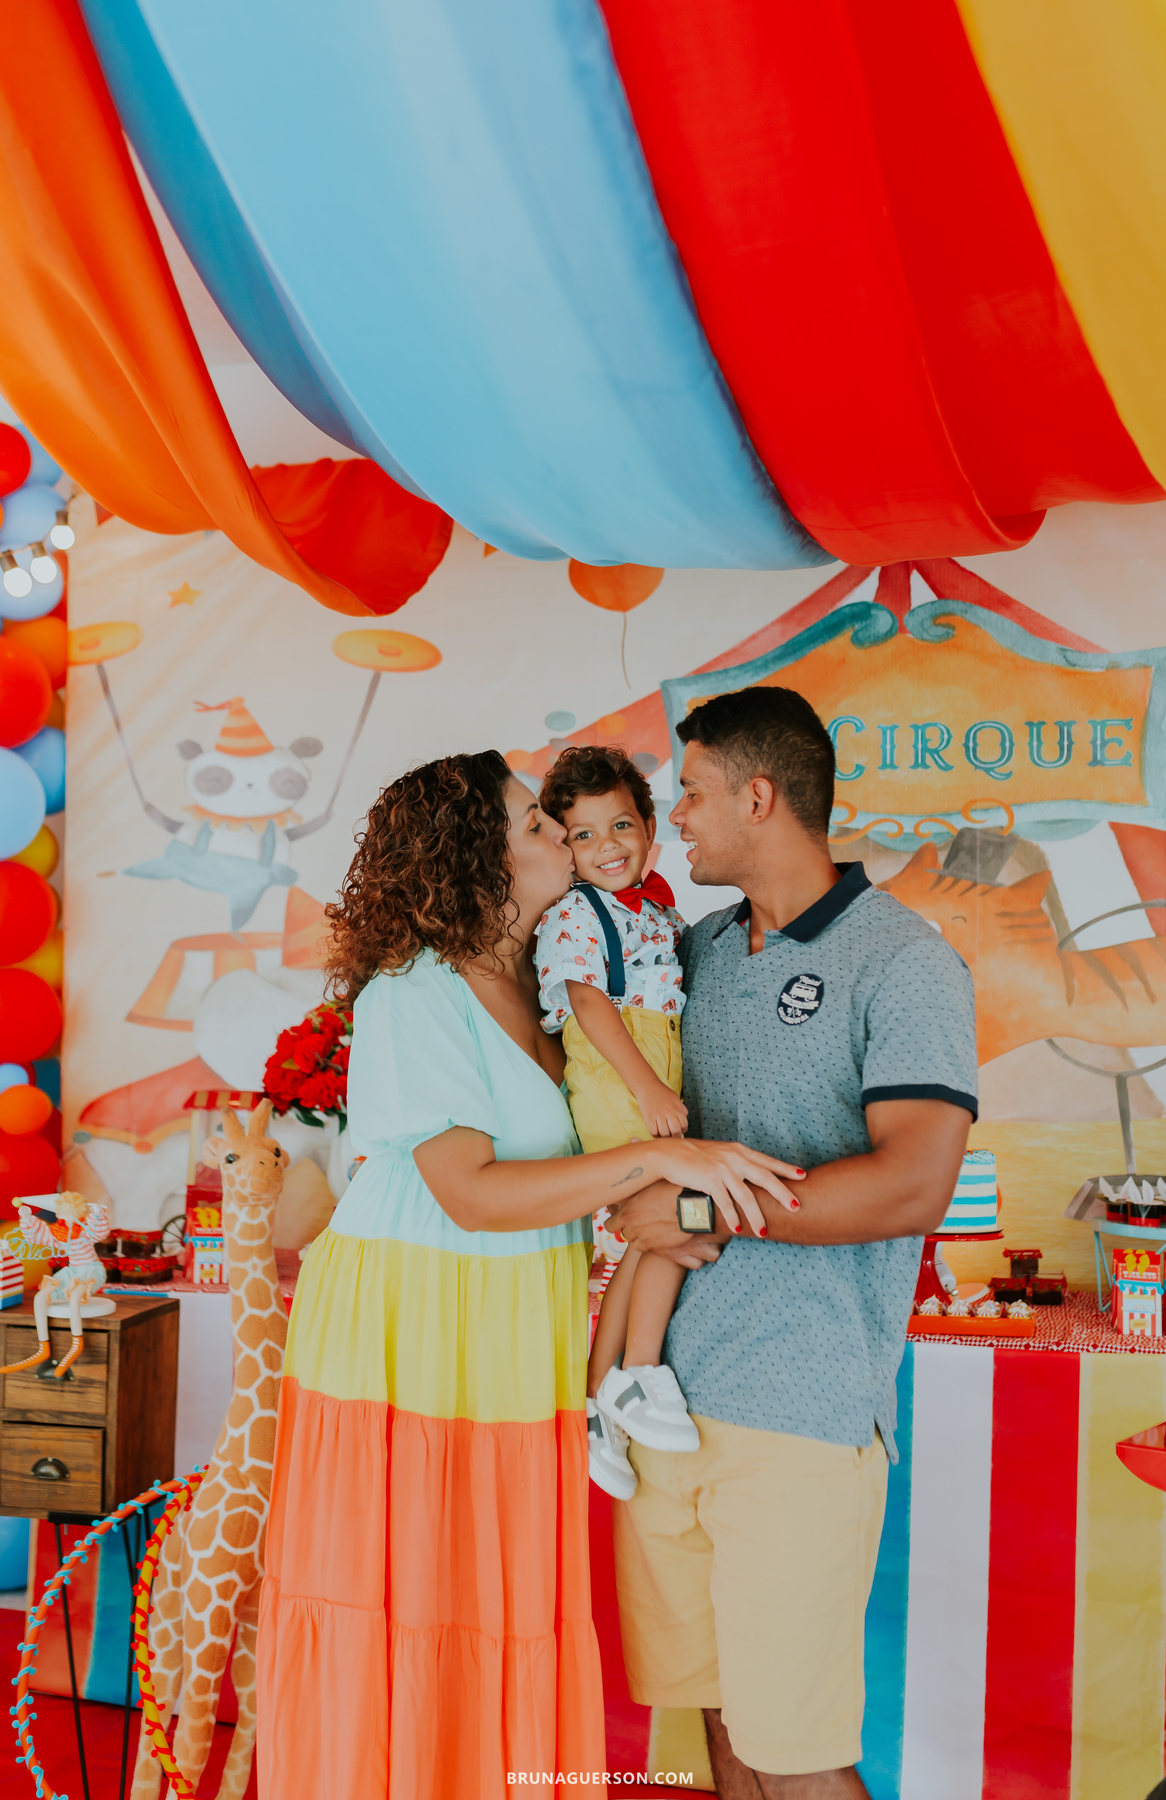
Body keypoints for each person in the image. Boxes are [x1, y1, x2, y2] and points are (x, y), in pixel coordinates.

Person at [256, 749, 801, 1800]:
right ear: (479, 857)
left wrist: (653, 1208)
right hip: (416, 1325)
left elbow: (563, 1169)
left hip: (510, 1319)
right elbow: (472, 1193)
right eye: (534, 824)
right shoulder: (415, 991)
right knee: (415, 1597)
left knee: (496, 1600)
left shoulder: (537, 986)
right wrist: (666, 1161)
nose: (560, 833)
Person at [606, 688, 978, 1799]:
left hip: (801, 1416)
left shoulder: (903, 960)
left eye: (692, 791)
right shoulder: (693, 953)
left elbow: (913, 1183)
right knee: (723, 1733)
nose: (677, 816)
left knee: (798, 1758)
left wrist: (694, 1211)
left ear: (759, 797)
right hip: (664, 1409)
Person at [536, 747, 778, 1501]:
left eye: (620, 825)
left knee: (648, 1236)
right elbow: (588, 1003)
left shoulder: (662, 913)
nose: (606, 846)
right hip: (618, 1081)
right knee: (673, 1220)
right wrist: (646, 1090)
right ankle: (637, 1371)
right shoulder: (578, 913)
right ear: (564, 849)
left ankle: (598, 1397)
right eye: (583, 835)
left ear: (648, 826)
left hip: (652, 1072)